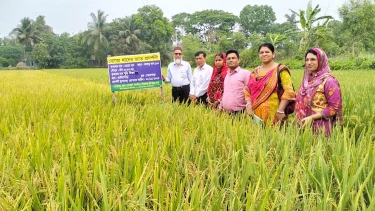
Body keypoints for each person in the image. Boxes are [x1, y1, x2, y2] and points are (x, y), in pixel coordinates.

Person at [244, 43, 296, 125]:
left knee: (274, 136)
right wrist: (248, 104)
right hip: (255, 113)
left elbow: (289, 91)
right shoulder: (255, 72)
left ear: (273, 54)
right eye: (261, 52)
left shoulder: (280, 70)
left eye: (267, 52)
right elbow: (247, 90)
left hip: (274, 113)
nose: (264, 54)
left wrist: (280, 110)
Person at [295, 48, 343, 136]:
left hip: (320, 126)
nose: (309, 62)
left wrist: (312, 117)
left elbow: (334, 107)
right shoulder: (306, 81)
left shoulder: (329, 81)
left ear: (321, 61)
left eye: (313, 59)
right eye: (307, 60)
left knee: (319, 149)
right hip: (303, 125)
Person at [218, 49, 250, 115]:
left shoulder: (245, 73)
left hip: (240, 112)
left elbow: (250, 92)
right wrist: (220, 107)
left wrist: (248, 109)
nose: (231, 60)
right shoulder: (227, 75)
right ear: (226, 61)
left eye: (233, 58)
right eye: (228, 59)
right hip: (226, 113)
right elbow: (225, 92)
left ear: (238, 60)